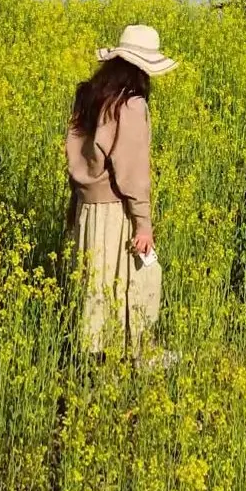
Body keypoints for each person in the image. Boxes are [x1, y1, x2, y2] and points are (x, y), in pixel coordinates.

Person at [65, 24, 177, 355]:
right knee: (131, 281)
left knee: (95, 285)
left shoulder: (89, 94)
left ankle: (93, 356)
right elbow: (132, 171)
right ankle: (126, 356)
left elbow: (78, 157)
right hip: (116, 210)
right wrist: (143, 223)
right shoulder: (129, 105)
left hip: (87, 207)